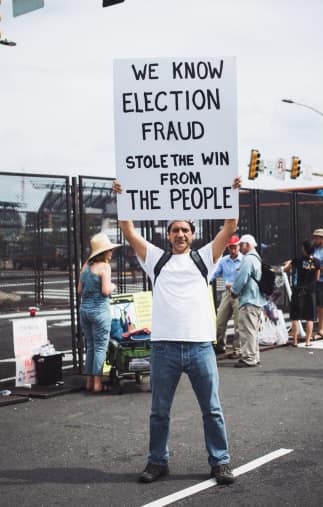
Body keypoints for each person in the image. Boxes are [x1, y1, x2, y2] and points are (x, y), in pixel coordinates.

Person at [113, 177, 239, 486]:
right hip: (164, 348)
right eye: (175, 230)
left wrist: (233, 191)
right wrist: (122, 198)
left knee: (212, 409)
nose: (180, 234)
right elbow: (128, 230)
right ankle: (158, 461)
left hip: (199, 348)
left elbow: (229, 227)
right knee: (159, 411)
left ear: (193, 235)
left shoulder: (204, 258)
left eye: (185, 229)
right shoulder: (157, 259)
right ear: (168, 235)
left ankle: (220, 461)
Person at [77, 232, 120, 393]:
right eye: (109, 250)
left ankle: (89, 382)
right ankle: (97, 384)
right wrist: (113, 286)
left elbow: (79, 290)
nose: (111, 252)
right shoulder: (105, 267)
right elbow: (105, 290)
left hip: (85, 311)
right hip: (100, 312)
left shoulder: (86, 266)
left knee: (90, 347)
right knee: (101, 347)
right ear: (103, 252)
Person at [230, 234, 267, 366]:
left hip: (248, 298)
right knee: (253, 330)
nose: (239, 248)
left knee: (247, 330)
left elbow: (242, 277)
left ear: (247, 245)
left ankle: (248, 358)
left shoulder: (248, 259)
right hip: (257, 299)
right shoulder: (257, 259)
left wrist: (234, 291)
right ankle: (254, 356)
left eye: (241, 245)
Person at [210, 235, 243, 355]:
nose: (233, 250)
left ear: (239, 246)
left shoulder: (244, 261)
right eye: (230, 248)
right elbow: (214, 274)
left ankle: (237, 349)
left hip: (239, 293)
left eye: (235, 247)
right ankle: (220, 346)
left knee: (238, 323)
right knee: (220, 321)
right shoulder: (224, 261)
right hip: (227, 293)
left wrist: (234, 284)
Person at [282, 239, 318, 346]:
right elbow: (317, 277)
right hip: (310, 291)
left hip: (297, 290)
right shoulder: (316, 262)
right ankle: (307, 341)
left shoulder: (297, 260)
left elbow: (285, 269)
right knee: (310, 317)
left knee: (295, 316)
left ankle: (295, 341)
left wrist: (289, 263)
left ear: (304, 249)